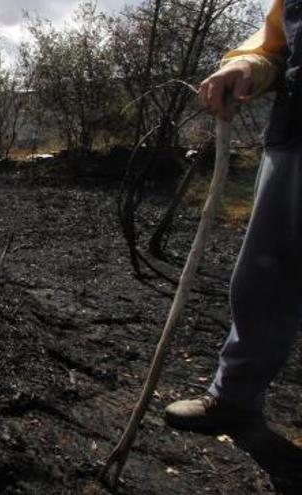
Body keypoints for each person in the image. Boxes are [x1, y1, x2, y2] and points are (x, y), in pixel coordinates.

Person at [165, 0, 301, 431]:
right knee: (263, 277)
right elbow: (275, 46)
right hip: (296, 136)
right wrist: (246, 68)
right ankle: (235, 397)